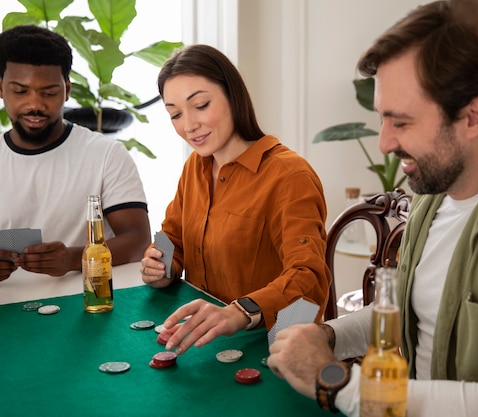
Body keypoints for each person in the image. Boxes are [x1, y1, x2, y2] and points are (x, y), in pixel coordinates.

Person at [266, 1, 478, 416]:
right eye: (382, 119)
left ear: (473, 117)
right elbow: (412, 312)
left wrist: (338, 382)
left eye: (402, 122)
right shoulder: (432, 192)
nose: (384, 143)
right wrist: (326, 336)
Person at [140, 44, 330, 350]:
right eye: (174, 114)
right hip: (202, 340)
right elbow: (170, 235)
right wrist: (160, 263)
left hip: (268, 344)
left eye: (200, 105)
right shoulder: (195, 166)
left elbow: (310, 282)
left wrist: (242, 312)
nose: (188, 125)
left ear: (233, 95)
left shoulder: (289, 175)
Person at [0, 25, 151, 282]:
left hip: (88, 302)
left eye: (49, 92)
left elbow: (139, 241)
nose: (35, 104)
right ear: (1, 88)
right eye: (20, 91)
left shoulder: (105, 154)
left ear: (67, 89)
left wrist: (75, 258)